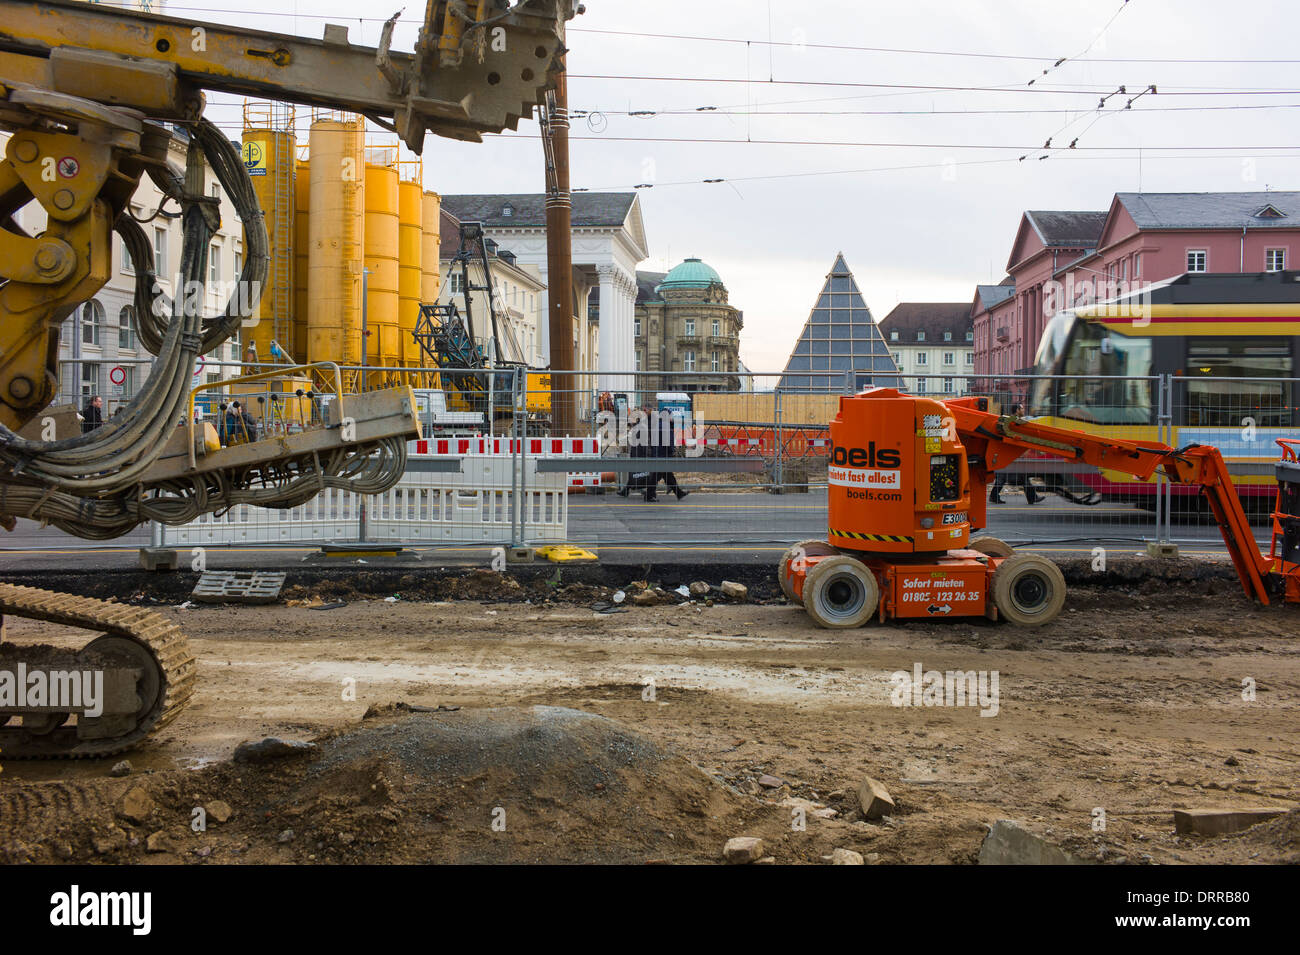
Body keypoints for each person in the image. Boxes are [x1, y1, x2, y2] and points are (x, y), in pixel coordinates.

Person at [989, 403, 1039, 504]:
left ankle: (1032, 497)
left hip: (1009, 454)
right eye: (1022, 408)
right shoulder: (1014, 422)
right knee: (1008, 477)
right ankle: (1032, 497)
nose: (1023, 410)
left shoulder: (1015, 421)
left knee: (1005, 477)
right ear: (1017, 410)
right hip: (1010, 454)